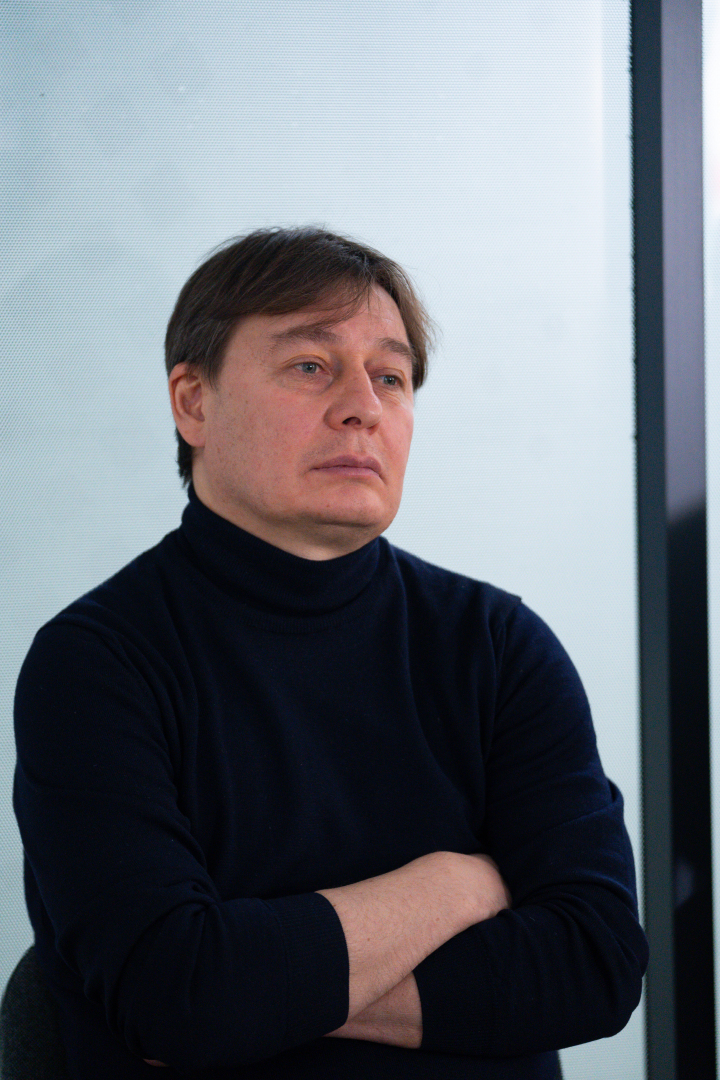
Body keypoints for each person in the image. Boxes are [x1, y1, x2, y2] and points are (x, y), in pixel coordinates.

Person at [13, 227, 648, 1080]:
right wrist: (454, 886)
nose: (363, 407)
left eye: (390, 377)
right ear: (193, 403)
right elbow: (179, 996)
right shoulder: (95, 665)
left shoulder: (500, 647)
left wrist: (266, 986)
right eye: (311, 365)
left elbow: (598, 963)